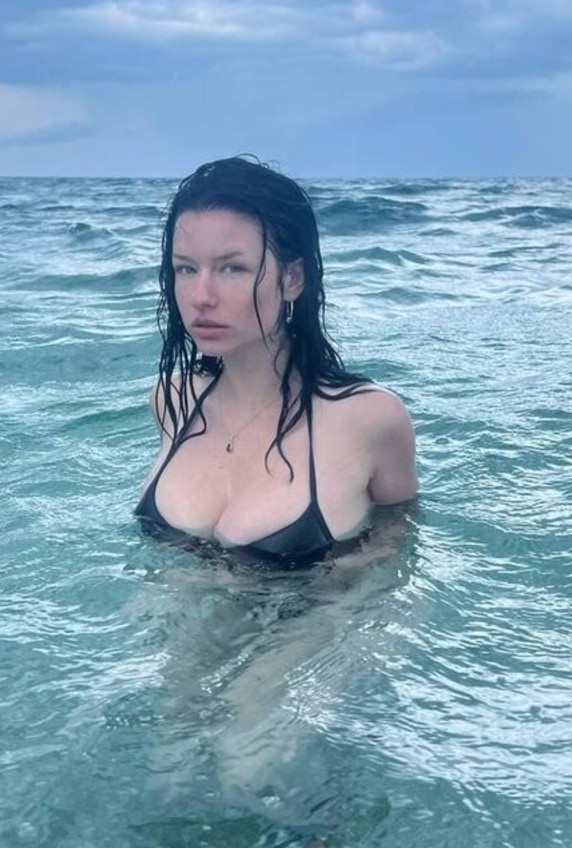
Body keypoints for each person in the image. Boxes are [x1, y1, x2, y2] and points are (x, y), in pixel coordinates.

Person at [136, 156, 417, 565]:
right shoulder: (172, 401)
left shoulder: (371, 419)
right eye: (186, 269)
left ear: (292, 279)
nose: (201, 296)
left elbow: (398, 540)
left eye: (233, 268)